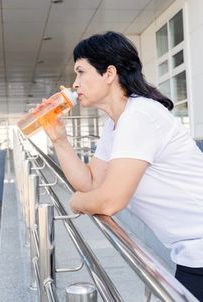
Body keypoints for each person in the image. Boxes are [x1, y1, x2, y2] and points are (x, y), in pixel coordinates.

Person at [44, 31, 203, 301]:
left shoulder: (140, 115)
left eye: (81, 72)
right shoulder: (116, 123)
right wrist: (60, 140)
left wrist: (76, 202)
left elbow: (108, 201)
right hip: (191, 254)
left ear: (109, 73)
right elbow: (92, 182)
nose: (75, 83)